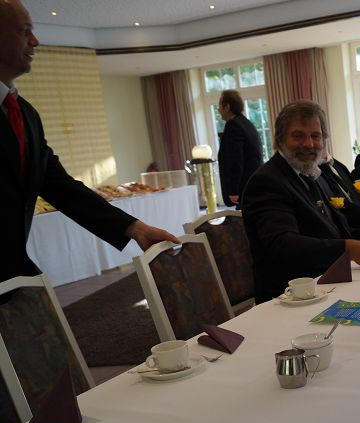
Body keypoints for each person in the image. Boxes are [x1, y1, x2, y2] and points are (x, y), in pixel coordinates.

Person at [0, 0, 177, 286]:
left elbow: (60, 186)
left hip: (15, 275)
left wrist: (134, 228)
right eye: (24, 31)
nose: (35, 41)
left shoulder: (25, 113)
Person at [241, 100, 360, 303]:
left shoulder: (311, 174)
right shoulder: (267, 181)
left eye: (315, 136)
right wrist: (349, 249)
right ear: (280, 139)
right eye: (298, 136)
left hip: (328, 285)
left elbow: (334, 229)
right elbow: (282, 244)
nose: (309, 144)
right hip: (289, 298)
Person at [217, 89, 263, 207]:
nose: (218, 109)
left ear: (227, 107)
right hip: (254, 182)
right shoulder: (246, 123)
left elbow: (236, 160)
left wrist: (234, 190)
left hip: (244, 186)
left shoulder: (233, 125)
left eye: (220, 105)